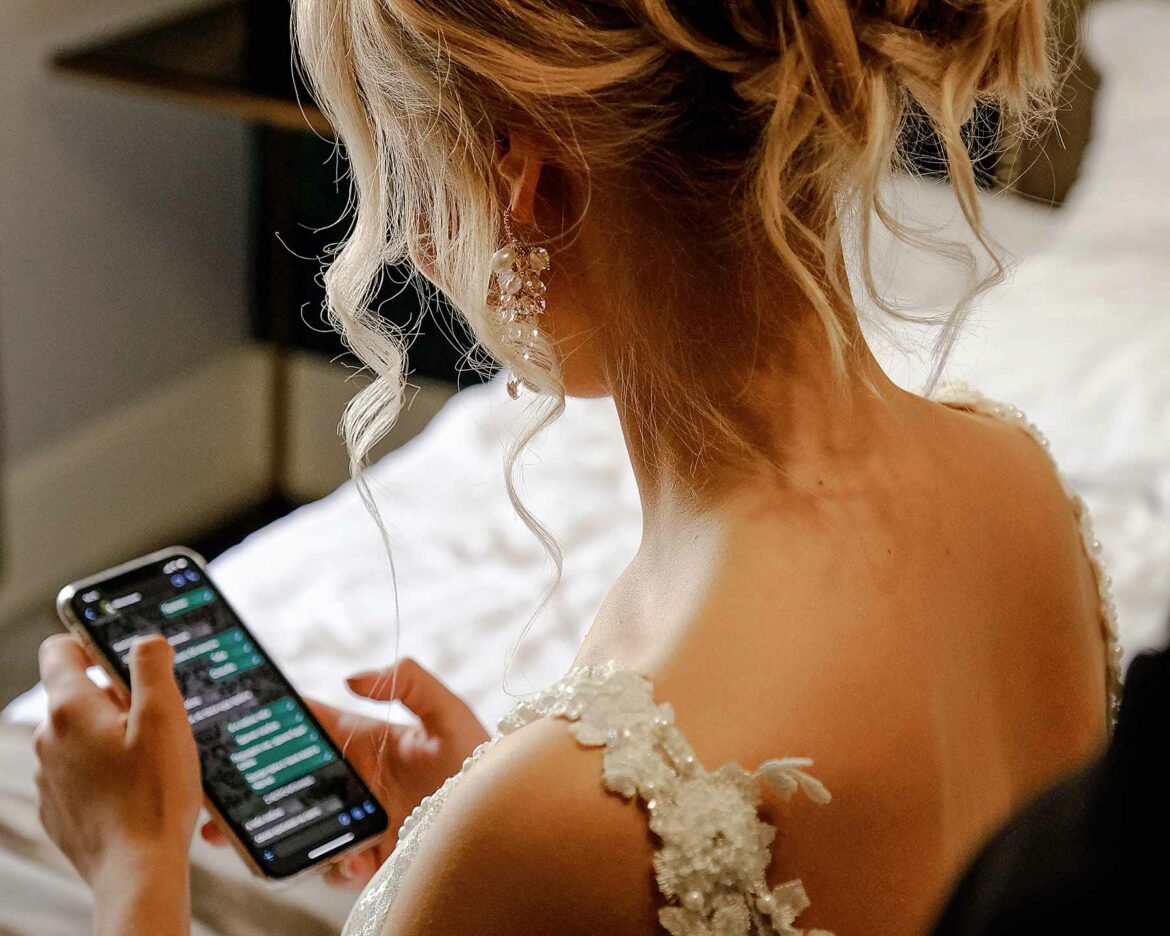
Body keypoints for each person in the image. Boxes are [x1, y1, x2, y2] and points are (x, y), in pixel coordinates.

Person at [32, 2, 1121, 934]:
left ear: (527, 186)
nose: (413, 241)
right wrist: (469, 832)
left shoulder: (553, 822)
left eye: (405, 165)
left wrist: (134, 866)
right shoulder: (1018, 485)